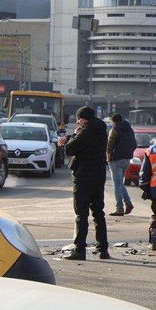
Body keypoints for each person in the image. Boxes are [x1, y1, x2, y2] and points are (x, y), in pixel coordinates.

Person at [62, 106, 109, 261]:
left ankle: (80, 249)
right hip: (98, 176)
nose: (77, 122)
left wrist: (72, 137)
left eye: (79, 118)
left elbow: (70, 149)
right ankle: (103, 249)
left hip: (83, 176)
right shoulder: (101, 130)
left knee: (81, 214)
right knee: (98, 213)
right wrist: (74, 136)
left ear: (85, 118)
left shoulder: (86, 131)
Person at [138, 129, 156, 252]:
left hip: (155, 187)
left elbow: (144, 173)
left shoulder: (150, 150)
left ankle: (154, 241)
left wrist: (145, 189)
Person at [106, 112, 136, 216]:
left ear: (113, 120)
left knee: (117, 185)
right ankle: (128, 203)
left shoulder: (114, 130)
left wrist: (108, 156)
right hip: (127, 159)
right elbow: (134, 144)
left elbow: (110, 145)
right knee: (120, 183)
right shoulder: (130, 129)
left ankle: (120, 208)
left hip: (116, 160)